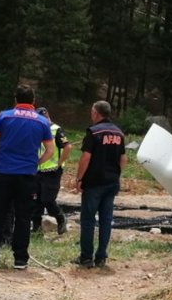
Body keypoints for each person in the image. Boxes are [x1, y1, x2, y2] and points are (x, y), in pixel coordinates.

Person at [0, 85, 53, 270]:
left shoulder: (4, 116)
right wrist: (36, 163)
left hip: (3, 173)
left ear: (15, 100)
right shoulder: (42, 122)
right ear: (33, 101)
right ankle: (20, 259)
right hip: (27, 176)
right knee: (23, 217)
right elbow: (50, 150)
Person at [74, 100, 126, 268]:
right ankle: (101, 257)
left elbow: (86, 157)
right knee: (106, 220)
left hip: (94, 183)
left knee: (88, 220)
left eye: (92, 111)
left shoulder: (94, 132)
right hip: (111, 182)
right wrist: (117, 175)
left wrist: (79, 178)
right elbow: (123, 158)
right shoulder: (119, 133)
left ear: (96, 113)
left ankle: (86, 257)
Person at [31, 106, 72, 235]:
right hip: (38, 170)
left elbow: (67, 147)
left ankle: (60, 218)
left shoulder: (56, 129)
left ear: (47, 116)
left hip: (52, 171)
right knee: (35, 200)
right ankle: (36, 228)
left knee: (48, 200)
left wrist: (60, 163)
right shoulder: (36, 129)